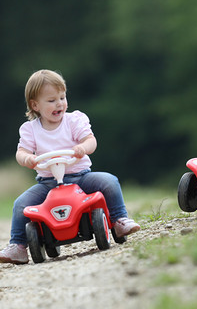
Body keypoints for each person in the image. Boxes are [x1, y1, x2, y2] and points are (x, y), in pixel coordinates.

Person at [0, 69, 140, 264]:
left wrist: (82, 147)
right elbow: (21, 152)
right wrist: (27, 159)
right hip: (47, 184)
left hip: (80, 178)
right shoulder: (30, 129)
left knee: (109, 181)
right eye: (51, 100)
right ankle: (18, 245)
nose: (59, 103)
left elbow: (91, 140)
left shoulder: (74, 120)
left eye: (62, 97)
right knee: (20, 205)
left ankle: (119, 220)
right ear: (35, 105)